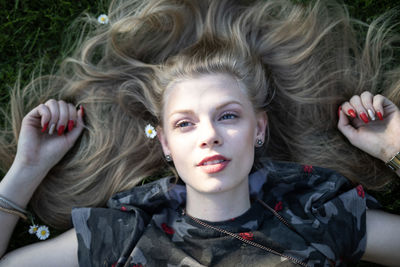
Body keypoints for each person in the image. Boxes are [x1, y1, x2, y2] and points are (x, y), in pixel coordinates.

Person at [0, 0, 400, 266]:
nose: (208, 135)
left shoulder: (319, 217)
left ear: (258, 128)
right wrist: (28, 169)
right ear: (166, 143)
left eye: (227, 116)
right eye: (185, 123)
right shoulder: (126, 233)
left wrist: (393, 146)